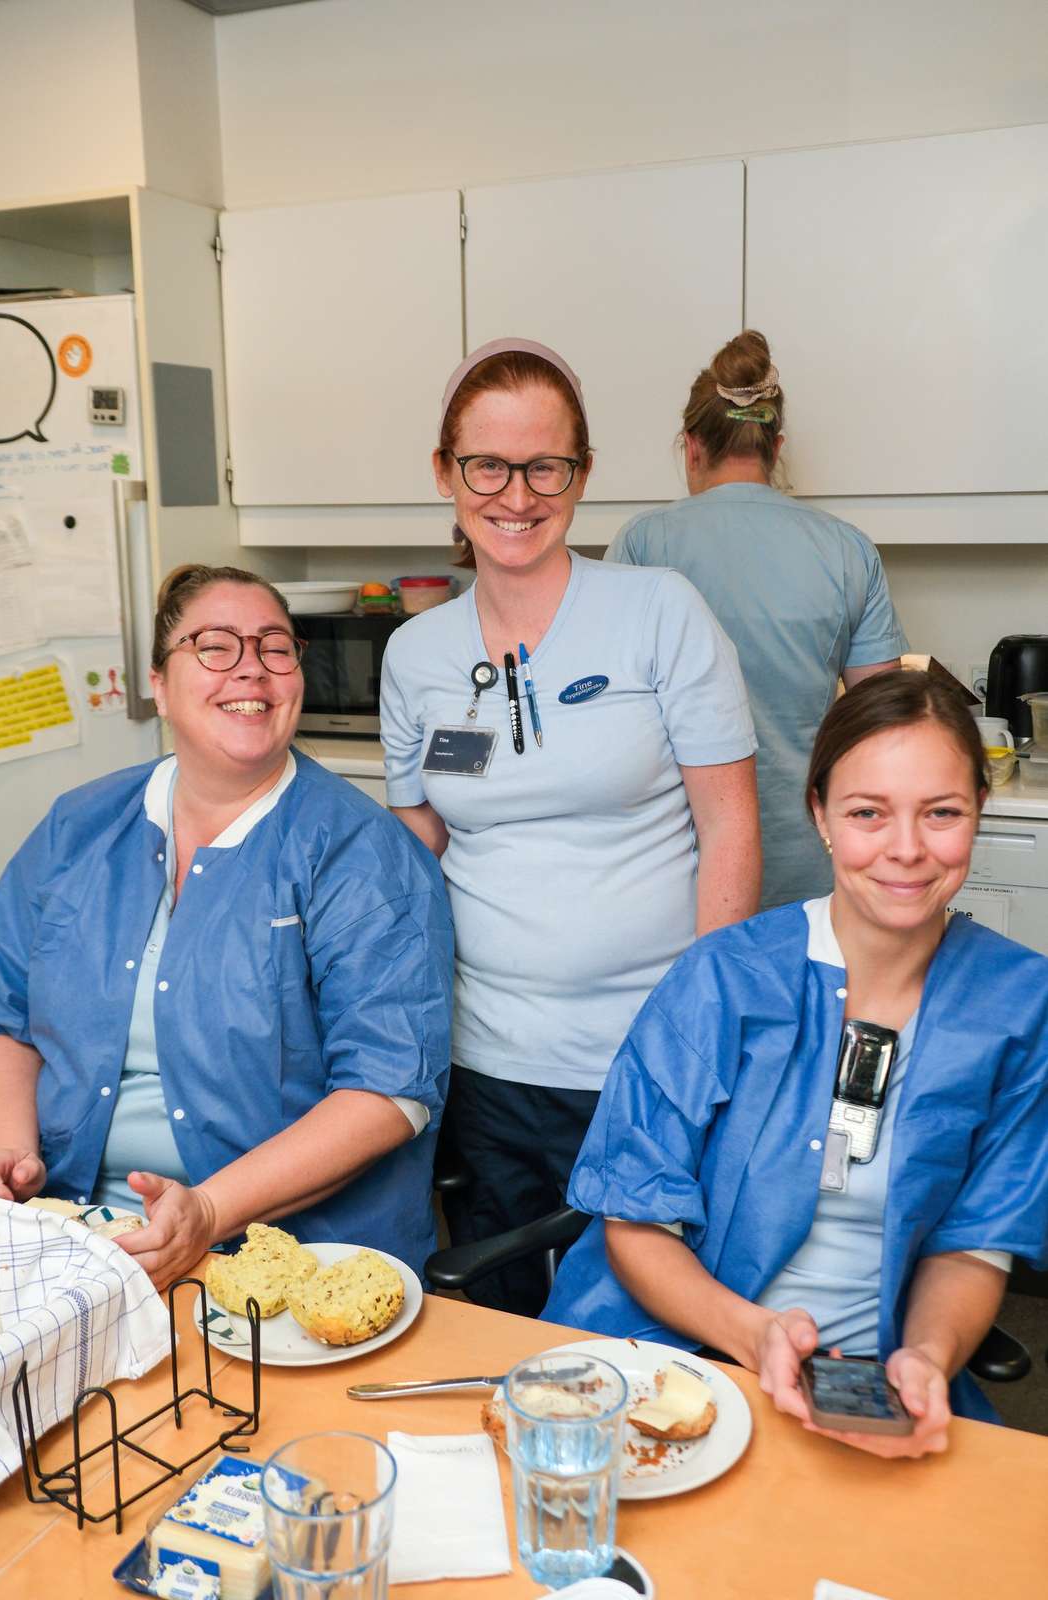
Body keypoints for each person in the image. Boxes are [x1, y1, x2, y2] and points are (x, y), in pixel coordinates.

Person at [544, 670, 1048, 1450]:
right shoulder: (721, 978)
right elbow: (635, 1220)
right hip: (668, 1363)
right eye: (866, 813)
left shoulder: (1020, 1004)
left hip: (871, 1389)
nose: (906, 850)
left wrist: (926, 1355)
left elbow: (974, 1241)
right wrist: (756, 1339)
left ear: (978, 811)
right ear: (819, 814)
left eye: (941, 813)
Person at [381, 336, 761, 1315]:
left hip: (647, 1048)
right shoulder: (415, 655)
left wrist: (699, 1033)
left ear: (581, 473)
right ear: (445, 473)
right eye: (487, 465)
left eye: (544, 464)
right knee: (499, 1316)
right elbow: (418, 849)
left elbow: (728, 827)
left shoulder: (657, 613)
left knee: (651, 1320)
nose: (516, 493)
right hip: (488, 1058)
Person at [0, 564, 453, 1288]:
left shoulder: (361, 852)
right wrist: (10, 1165)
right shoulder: (77, 828)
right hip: (73, 1234)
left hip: (290, 1259)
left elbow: (388, 1093)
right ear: (159, 683)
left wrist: (206, 1210)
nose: (251, 672)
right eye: (214, 647)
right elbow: (2, 1017)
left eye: (274, 647)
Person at [608, 330, 907, 910]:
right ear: (777, 446)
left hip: (678, 868)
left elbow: (613, 716)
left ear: (691, 446)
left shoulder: (644, 542)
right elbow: (883, 727)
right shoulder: (848, 550)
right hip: (811, 863)